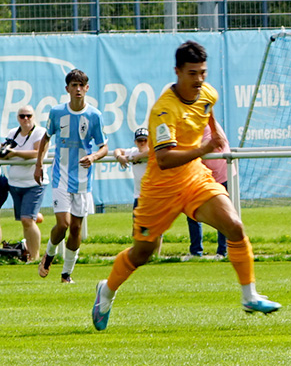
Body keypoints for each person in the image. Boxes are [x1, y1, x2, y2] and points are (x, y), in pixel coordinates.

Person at [92, 40, 280, 331]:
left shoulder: (207, 93)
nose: (199, 79)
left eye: (203, 72)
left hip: (194, 178)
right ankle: (106, 290)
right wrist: (205, 149)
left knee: (234, 226)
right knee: (143, 254)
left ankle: (249, 295)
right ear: (177, 71)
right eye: (192, 73)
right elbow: (165, 159)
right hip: (160, 189)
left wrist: (216, 135)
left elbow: (208, 111)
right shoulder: (163, 111)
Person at [34, 69, 108, 283]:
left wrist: (93, 157)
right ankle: (48, 255)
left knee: (76, 228)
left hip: (83, 179)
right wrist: (39, 164)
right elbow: (46, 138)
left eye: (81, 85)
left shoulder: (94, 115)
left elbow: (104, 147)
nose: (77, 89)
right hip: (61, 176)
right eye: (73, 85)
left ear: (87, 88)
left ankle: (66, 274)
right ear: (67, 88)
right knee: (63, 224)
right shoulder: (57, 112)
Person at [0, 105, 49, 261]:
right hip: (15, 183)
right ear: (18, 118)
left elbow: (37, 152)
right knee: (25, 220)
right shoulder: (12, 133)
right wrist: (8, 153)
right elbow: (5, 155)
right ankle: (28, 251)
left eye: (29, 115)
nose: (26, 119)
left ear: (34, 116)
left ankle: (34, 257)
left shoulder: (40, 132)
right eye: (22, 116)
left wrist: (15, 153)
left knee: (27, 219)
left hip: (33, 183)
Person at [187, 122, 233, 260]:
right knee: (192, 213)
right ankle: (195, 251)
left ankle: (222, 252)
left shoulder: (206, 124)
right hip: (202, 177)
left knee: (223, 214)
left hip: (223, 174)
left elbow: (207, 145)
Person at [114, 128, 164, 255]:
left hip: (154, 195)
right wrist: (120, 157)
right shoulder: (133, 151)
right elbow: (117, 150)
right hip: (139, 196)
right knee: (138, 228)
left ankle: (156, 255)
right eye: (139, 140)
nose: (142, 143)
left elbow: (153, 152)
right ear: (135, 142)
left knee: (156, 227)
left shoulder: (154, 151)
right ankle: (140, 254)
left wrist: (137, 157)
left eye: (145, 140)